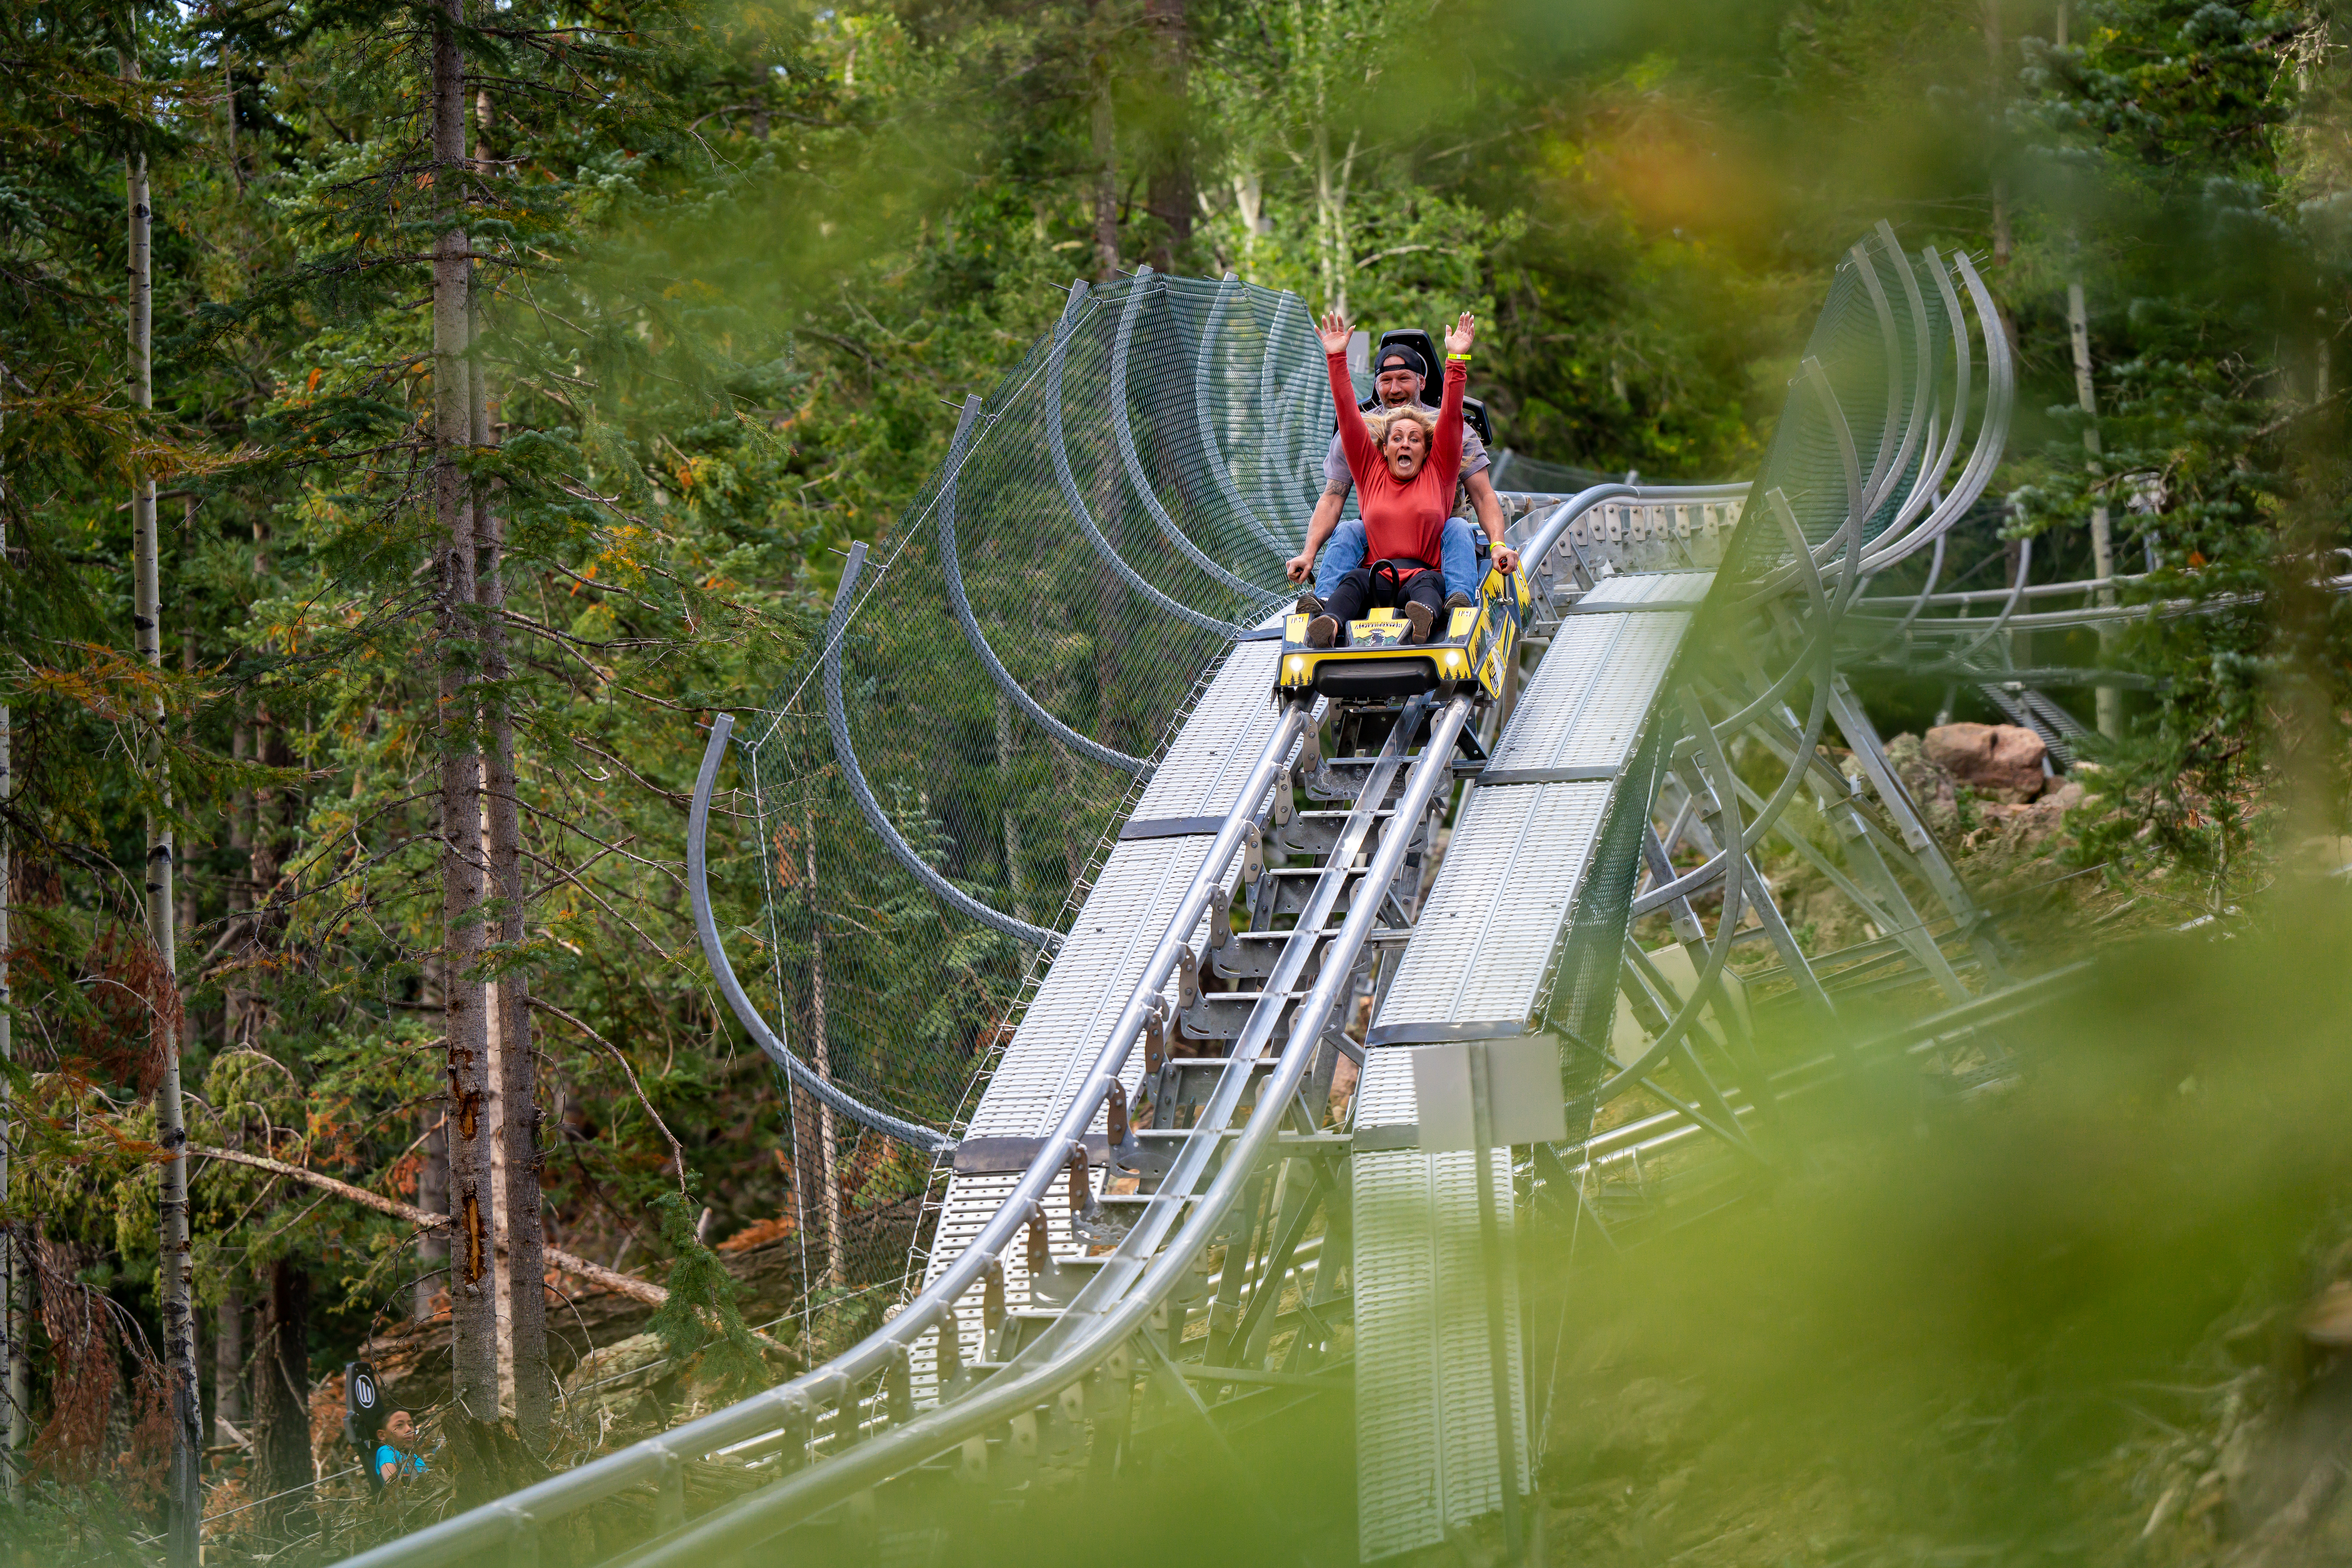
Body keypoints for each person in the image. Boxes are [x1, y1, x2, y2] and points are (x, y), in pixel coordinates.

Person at [1286, 339, 1519, 610]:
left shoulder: (1449, 442)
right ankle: (1325, 602)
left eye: (1403, 379)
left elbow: (1482, 495)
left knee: (1458, 528)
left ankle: (1457, 604)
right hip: (1382, 535)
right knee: (1351, 529)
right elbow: (1333, 497)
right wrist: (1309, 552)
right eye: (1386, 380)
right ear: (1384, 449)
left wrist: (1498, 545)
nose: (1395, 389)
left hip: (1436, 533)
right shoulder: (1365, 441)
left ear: (1422, 382)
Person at [1306, 308, 1478, 647]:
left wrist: (1458, 358)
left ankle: (1428, 618)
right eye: (1397, 439)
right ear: (1383, 449)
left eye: (1415, 440)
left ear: (1427, 449)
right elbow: (1348, 416)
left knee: (1428, 586)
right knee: (1353, 582)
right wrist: (1337, 358)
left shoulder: (1438, 473)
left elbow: (1452, 418)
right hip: (1379, 577)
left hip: (1423, 575)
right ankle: (1328, 620)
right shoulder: (1371, 473)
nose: (1405, 445)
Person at [375, 1407, 430, 1484]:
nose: (409, 1429)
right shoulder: (387, 1451)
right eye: (400, 1425)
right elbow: (393, 1486)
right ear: (382, 1435)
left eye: (411, 1425)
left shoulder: (416, 1459)